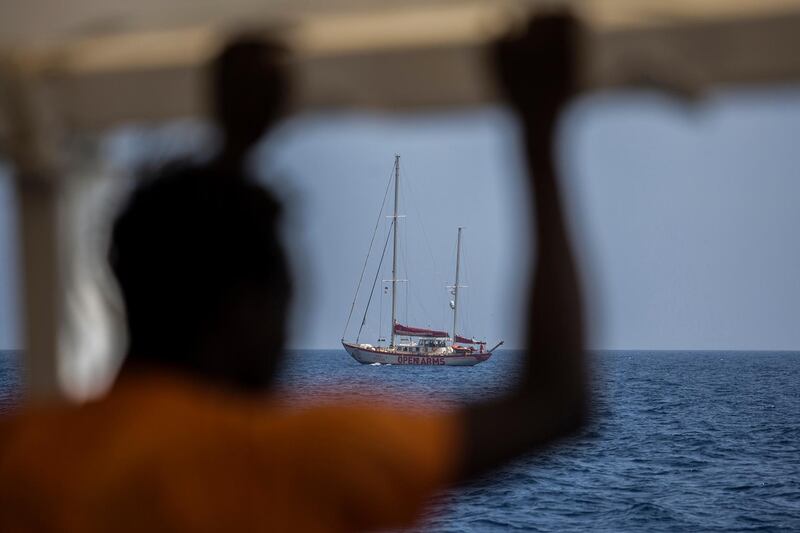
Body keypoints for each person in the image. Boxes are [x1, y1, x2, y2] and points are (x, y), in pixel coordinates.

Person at [0, 13, 587, 532]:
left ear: (124, 283)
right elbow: (555, 400)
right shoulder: (284, 460)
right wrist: (540, 127)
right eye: (287, 303)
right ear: (245, 314)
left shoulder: (24, 450)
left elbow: (191, 248)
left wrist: (231, 149)